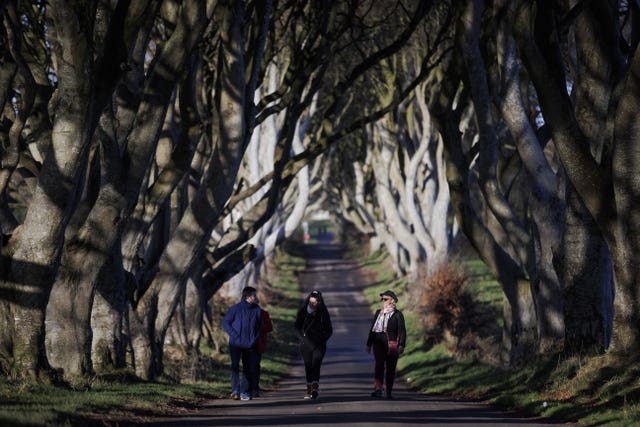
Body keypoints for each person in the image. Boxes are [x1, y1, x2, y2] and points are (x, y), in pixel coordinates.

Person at [222, 286, 262, 401]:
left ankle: (244, 392)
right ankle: (235, 390)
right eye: (254, 295)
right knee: (235, 366)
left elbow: (259, 326)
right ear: (247, 297)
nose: (256, 297)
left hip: (250, 345)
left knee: (247, 368)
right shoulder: (235, 309)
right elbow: (225, 323)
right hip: (235, 344)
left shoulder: (257, 309)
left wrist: (254, 338)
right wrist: (235, 335)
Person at [366, 290, 406, 399]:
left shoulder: (398, 315)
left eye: (385, 299)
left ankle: (388, 391)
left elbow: (402, 331)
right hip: (378, 344)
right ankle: (378, 389)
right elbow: (373, 330)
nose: (383, 301)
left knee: (391, 368)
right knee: (379, 366)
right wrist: (369, 344)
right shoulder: (378, 313)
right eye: (382, 299)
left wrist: (401, 345)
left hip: (392, 345)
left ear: (392, 300)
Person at [294, 290, 333, 399]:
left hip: (319, 345)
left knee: (316, 365)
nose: (312, 305)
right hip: (305, 345)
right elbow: (296, 327)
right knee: (308, 366)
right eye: (310, 302)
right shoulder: (302, 312)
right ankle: (308, 390)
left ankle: (315, 389)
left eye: (314, 303)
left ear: (319, 302)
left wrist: (323, 339)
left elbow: (329, 329)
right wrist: (302, 338)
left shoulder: (323, 313)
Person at [254, 298, 273, 397]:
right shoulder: (244, 313)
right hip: (245, 344)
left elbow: (270, 327)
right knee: (247, 366)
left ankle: (255, 388)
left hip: (258, 344)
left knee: (256, 366)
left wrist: (259, 328)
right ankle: (247, 388)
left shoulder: (264, 314)